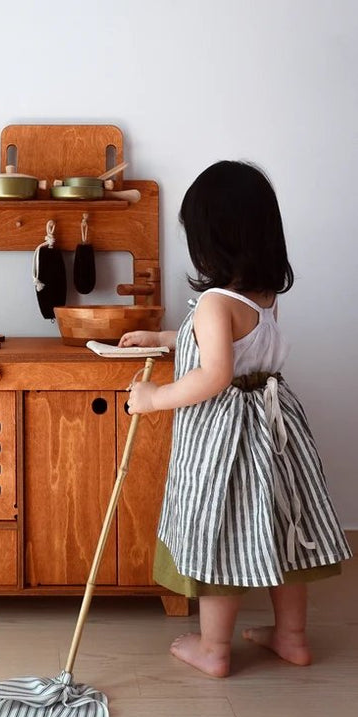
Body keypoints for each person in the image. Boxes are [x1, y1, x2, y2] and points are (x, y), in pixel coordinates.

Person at [120, 160, 352, 678]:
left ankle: (213, 649)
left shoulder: (211, 302)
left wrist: (155, 398)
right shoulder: (263, 296)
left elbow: (216, 374)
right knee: (282, 528)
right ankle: (291, 639)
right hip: (279, 431)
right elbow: (239, 347)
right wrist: (164, 340)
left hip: (228, 436)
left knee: (219, 532)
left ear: (211, 240)